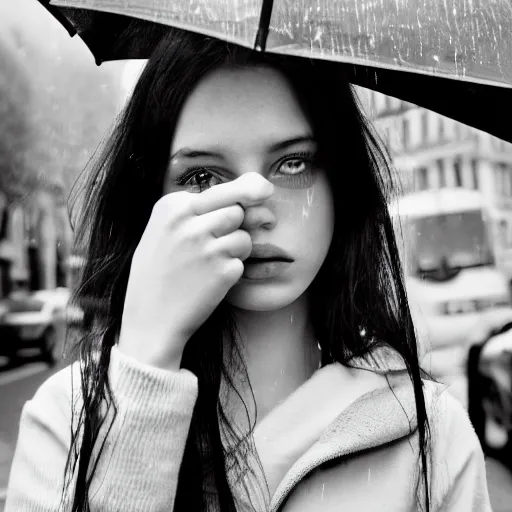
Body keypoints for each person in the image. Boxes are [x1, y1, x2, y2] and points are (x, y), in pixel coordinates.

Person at [5, 29, 491, 512]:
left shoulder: (435, 438)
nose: (257, 206)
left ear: (341, 184)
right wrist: (146, 369)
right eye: (201, 177)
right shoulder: (65, 420)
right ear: (152, 200)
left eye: (294, 163)